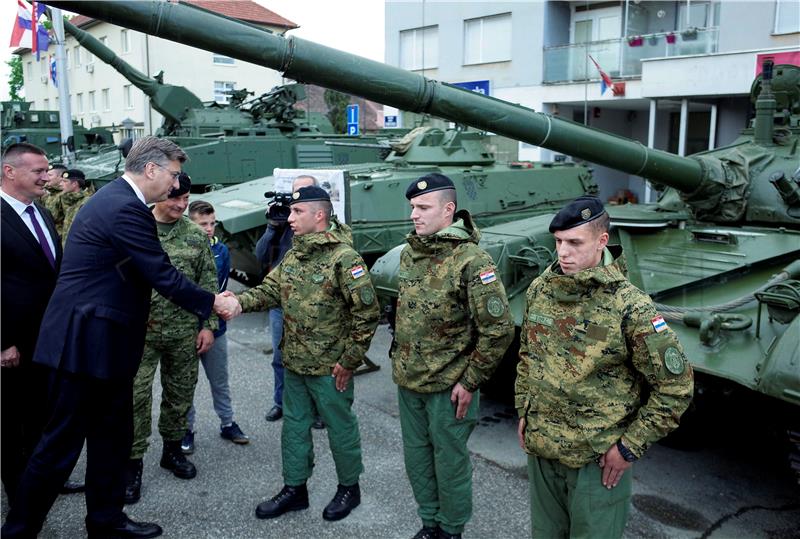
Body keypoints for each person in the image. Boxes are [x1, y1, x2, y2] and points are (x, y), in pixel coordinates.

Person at [1, 136, 240, 539]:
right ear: (151, 170)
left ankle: (106, 520)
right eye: (174, 174)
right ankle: (19, 531)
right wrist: (214, 303)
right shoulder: (123, 208)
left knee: (113, 437)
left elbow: (128, 274)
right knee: (59, 447)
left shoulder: (119, 201)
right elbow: (160, 272)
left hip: (108, 344)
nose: (175, 184)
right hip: (85, 345)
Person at [515, 195, 695, 538]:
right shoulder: (541, 289)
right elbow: (528, 356)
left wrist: (629, 447)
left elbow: (676, 388)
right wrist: (524, 409)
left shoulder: (630, 306)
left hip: (595, 460)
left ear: (602, 241)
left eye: (574, 243)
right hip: (542, 450)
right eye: (557, 242)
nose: (563, 253)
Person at [233, 186, 380, 522]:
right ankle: (295, 489)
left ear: (319, 216)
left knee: (340, 428)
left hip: (332, 368)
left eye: (297, 213)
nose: (290, 219)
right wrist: (236, 302)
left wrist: (349, 360)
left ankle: (349, 488)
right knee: (295, 429)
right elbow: (271, 289)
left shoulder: (345, 259)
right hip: (295, 363)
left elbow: (367, 314)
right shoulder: (296, 254)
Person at [391, 173, 515, 539]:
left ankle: (451, 529)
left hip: (449, 386)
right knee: (417, 460)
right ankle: (429, 522)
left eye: (423, 207)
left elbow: (498, 329)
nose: (414, 214)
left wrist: (470, 380)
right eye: (412, 207)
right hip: (409, 380)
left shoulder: (472, 261)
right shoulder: (413, 252)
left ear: (448, 210)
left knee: (449, 463)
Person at [123, 173, 223, 505]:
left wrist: (208, 325)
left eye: (186, 199)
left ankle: (172, 451)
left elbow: (209, 282)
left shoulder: (195, 236)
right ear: (160, 195)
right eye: (174, 198)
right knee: (135, 400)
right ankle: (132, 464)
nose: (181, 205)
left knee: (179, 395)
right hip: (140, 332)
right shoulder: (138, 228)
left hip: (184, 332)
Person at [0, 143, 62, 505]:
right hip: (13, 344)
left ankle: (42, 479)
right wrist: (3, 341)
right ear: (10, 172)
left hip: (45, 337)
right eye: (38, 171)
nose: (47, 176)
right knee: (11, 422)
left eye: (47, 169)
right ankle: (19, 491)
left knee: (42, 412)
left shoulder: (39, 211)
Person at [181, 200, 249, 455]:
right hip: (186, 327)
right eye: (203, 224)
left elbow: (218, 289)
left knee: (219, 380)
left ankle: (228, 422)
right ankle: (186, 429)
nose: (209, 229)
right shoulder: (181, 247)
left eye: (212, 223)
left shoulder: (221, 250)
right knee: (184, 383)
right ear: (190, 223)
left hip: (215, 327)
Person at [256, 174, 324, 430]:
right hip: (280, 303)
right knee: (279, 357)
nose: (298, 198)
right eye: (295, 192)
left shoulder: (324, 224)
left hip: (312, 305)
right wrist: (274, 226)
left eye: (305, 192)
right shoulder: (284, 220)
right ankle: (281, 403)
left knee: (314, 359)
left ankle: (316, 408)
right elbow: (261, 256)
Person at [58, 168, 92, 244]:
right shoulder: (69, 201)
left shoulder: (87, 202)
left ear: (75, 184)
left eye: (65, 181)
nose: (60, 184)